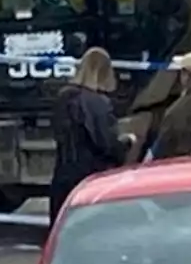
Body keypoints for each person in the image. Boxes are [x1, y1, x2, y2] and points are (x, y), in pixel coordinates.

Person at [48, 47, 130, 224]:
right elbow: (106, 144)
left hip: (62, 177)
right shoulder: (98, 103)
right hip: (90, 180)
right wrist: (127, 143)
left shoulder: (62, 98)